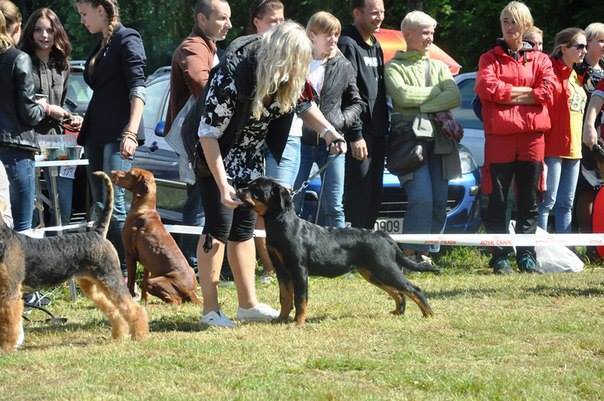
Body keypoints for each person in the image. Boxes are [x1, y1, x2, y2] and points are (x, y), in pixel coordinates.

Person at [196, 21, 346, 327]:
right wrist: (223, 185)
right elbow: (208, 133)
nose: (301, 68)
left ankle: (247, 305)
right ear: (280, 57)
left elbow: (305, 105)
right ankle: (210, 311)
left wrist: (330, 132)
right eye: (297, 62)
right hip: (217, 154)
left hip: (251, 154)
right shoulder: (234, 74)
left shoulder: (289, 76)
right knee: (218, 227)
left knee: (243, 230)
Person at [475, 1, 556, 274]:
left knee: (529, 199)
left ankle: (526, 255)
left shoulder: (541, 60)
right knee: (497, 198)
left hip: (532, 138)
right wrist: (528, 94)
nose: (509, 27)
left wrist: (508, 95)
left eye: (514, 21)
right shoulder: (489, 58)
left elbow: (547, 91)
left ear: (526, 24)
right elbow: (488, 89)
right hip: (500, 138)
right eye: (505, 21)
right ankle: (499, 256)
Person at [75, 0, 146, 276]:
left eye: (84, 14)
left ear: (101, 10)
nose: (82, 20)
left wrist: (131, 132)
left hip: (118, 133)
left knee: (113, 206)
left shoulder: (127, 38)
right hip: (96, 132)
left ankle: (126, 271)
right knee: (100, 205)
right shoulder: (102, 44)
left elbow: (138, 87)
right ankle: (105, 268)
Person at [384, 10, 461, 264]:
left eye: (432, 33)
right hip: (410, 143)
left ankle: (426, 254)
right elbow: (402, 97)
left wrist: (422, 106)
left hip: (440, 142)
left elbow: (454, 96)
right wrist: (436, 94)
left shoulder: (439, 66)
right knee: (421, 199)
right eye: (425, 33)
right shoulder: (393, 67)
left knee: (439, 201)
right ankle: (409, 255)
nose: (430, 38)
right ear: (408, 34)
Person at [165, 0, 231, 268]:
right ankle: (193, 265)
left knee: (205, 201)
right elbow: (201, 84)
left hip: (205, 136)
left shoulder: (209, 46)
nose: (229, 24)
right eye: (222, 18)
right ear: (202, 20)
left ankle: (200, 263)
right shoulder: (193, 47)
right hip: (197, 139)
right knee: (200, 201)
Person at [0, 0, 66, 232]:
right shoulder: (19, 58)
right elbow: (29, 114)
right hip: (16, 149)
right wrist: (44, 107)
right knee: (22, 227)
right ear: (18, 27)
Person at [293, 11, 363, 228]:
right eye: (328, 35)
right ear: (312, 35)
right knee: (293, 202)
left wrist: (339, 122)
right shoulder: (297, 63)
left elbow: (357, 103)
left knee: (334, 206)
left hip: (332, 144)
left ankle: (339, 249)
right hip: (300, 142)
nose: (334, 39)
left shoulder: (343, 65)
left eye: (336, 34)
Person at [20, 7, 83, 225]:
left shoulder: (63, 65)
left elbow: (63, 102)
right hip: (28, 139)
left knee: (63, 204)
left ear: (57, 32)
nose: (44, 35)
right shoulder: (22, 61)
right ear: (30, 32)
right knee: (31, 205)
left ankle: (61, 241)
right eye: (38, 30)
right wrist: (47, 108)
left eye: (49, 30)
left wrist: (71, 117)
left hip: (58, 141)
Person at [338, 0, 389, 229]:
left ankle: (368, 243)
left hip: (378, 133)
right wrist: (355, 134)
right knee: (358, 195)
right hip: (359, 135)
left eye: (382, 12)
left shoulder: (375, 44)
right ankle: (354, 244)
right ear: (357, 13)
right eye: (374, 13)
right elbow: (348, 93)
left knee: (374, 194)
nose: (380, 17)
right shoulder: (347, 43)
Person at [247, 0, 286, 282]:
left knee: (280, 208)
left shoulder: (287, 58)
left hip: (280, 143)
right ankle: (270, 268)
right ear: (257, 22)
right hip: (250, 146)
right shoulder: (249, 57)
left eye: (282, 20)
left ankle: (283, 262)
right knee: (257, 210)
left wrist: (329, 132)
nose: (279, 26)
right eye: (273, 21)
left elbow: (304, 101)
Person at [538, 28, 587, 233]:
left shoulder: (576, 75)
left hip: (574, 148)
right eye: (580, 46)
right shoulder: (550, 72)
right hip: (552, 147)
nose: (584, 51)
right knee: (546, 202)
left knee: (566, 203)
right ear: (563, 48)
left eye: (585, 46)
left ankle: (564, 247)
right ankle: (537, 247)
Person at [574, 22, 604, 260]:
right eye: (600, 40)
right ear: (589, 42)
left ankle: (598, 244)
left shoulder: (603, 71)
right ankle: (588, 244)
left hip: (601, 136)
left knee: (599, 191)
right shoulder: (578, 70)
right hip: (583, 135)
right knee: (586, 190)